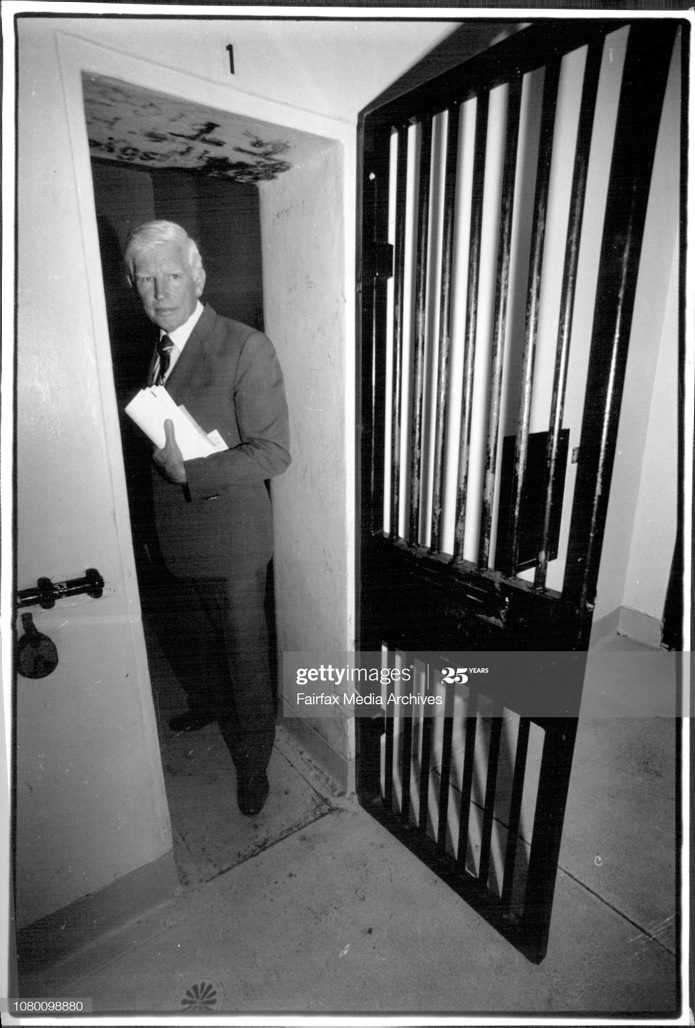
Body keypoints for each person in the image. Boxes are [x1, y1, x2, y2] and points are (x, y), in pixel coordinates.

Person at [123, 219, 290, 816]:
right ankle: (211, 703)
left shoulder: (245, 345)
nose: (160, 290)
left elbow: (274, 453)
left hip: (233, 542)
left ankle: (254, 765)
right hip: (180, 536)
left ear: (197, 275)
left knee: (246, 662)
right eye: (146, 279)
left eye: (172, 275)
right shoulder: (160, 348)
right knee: (200, 642)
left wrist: (189, 473)